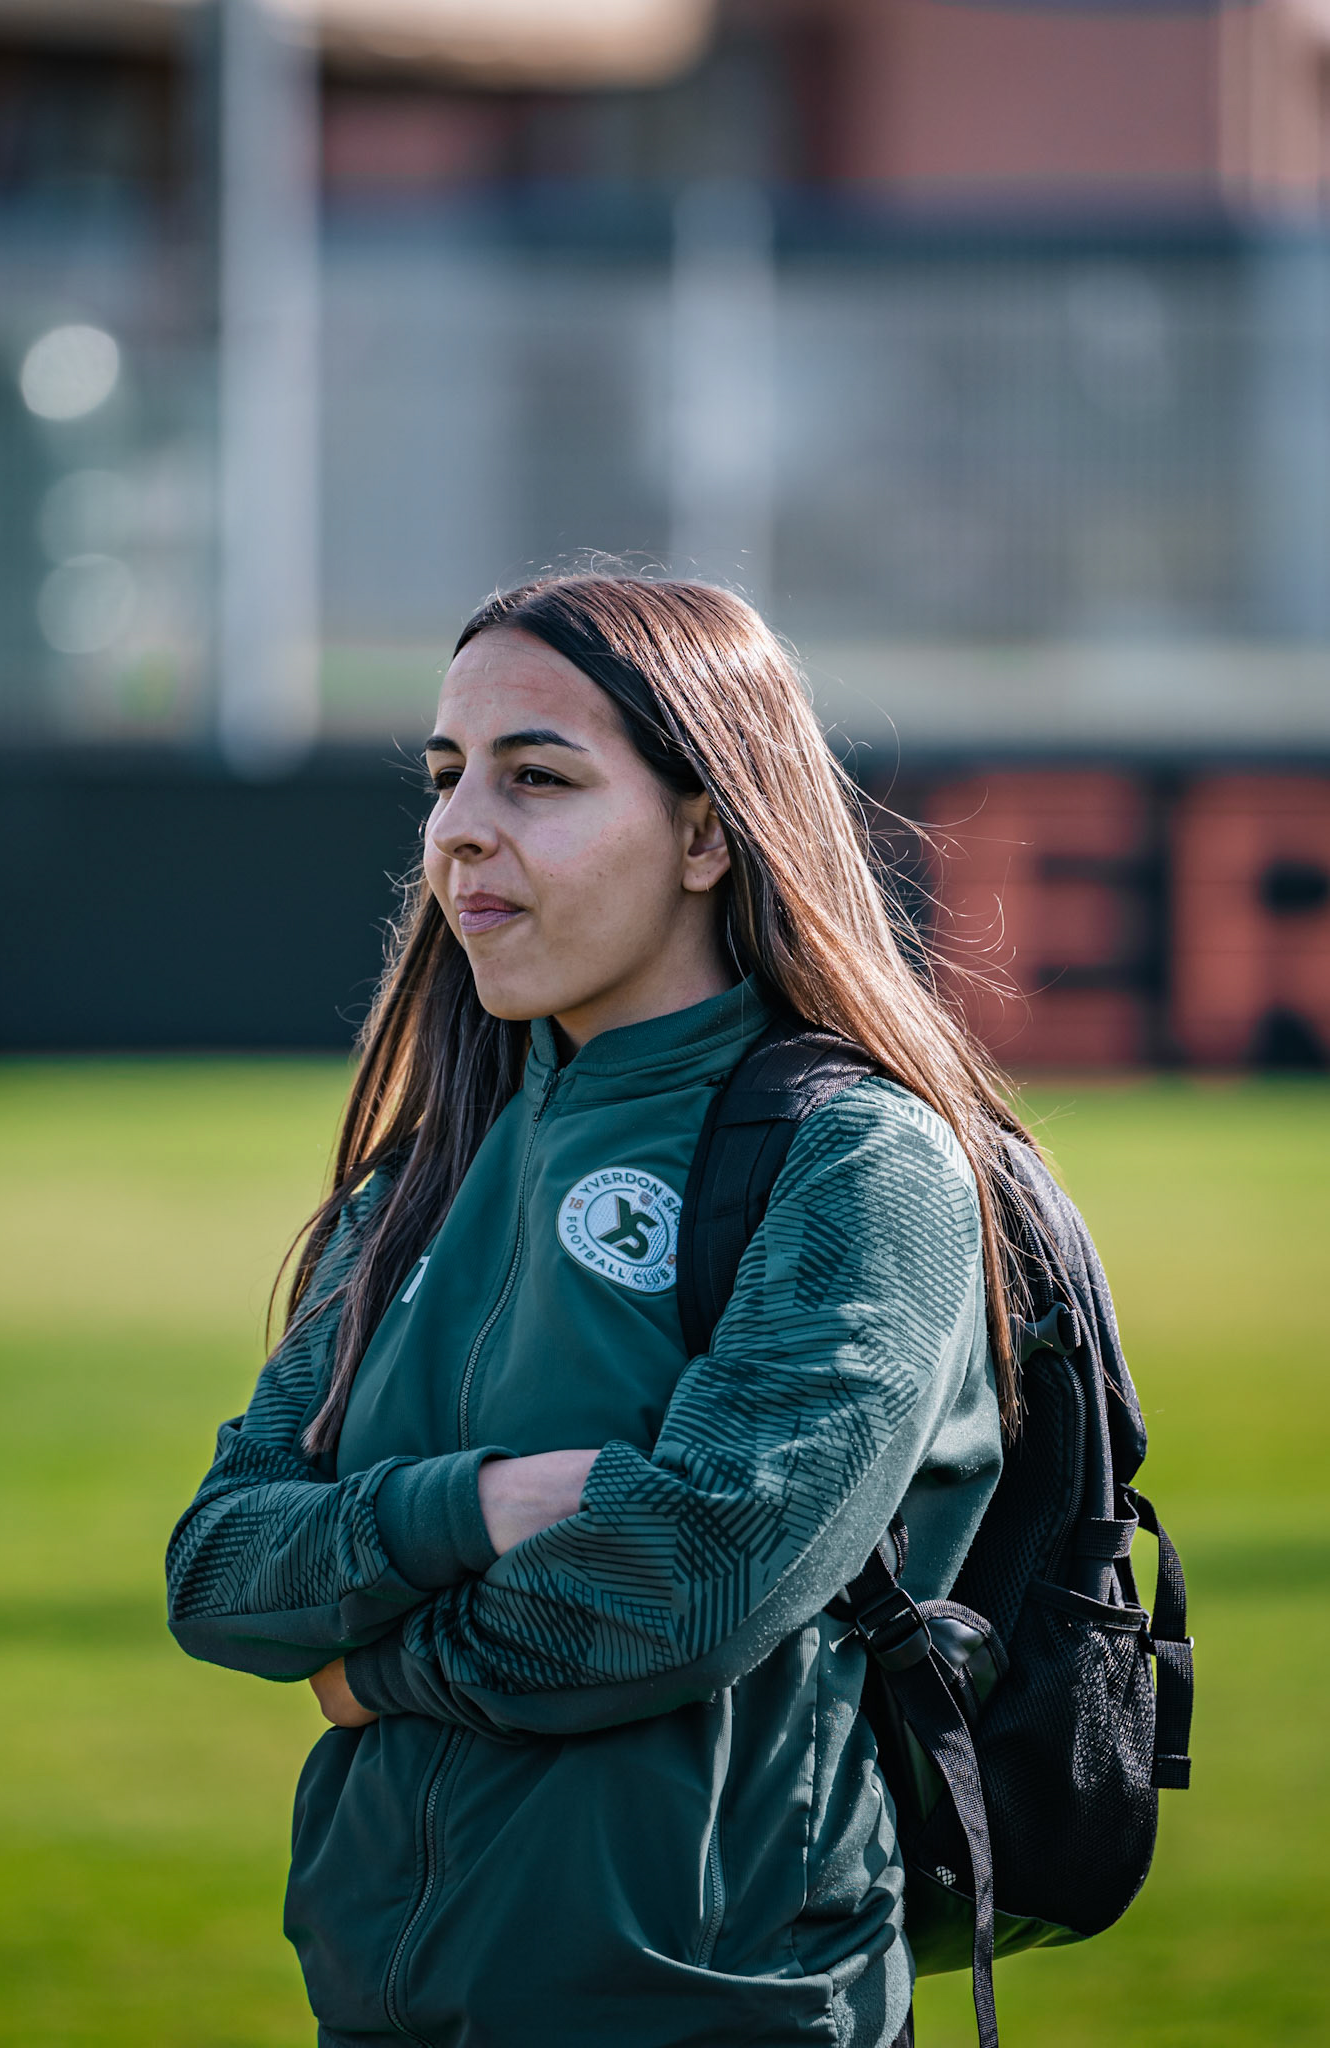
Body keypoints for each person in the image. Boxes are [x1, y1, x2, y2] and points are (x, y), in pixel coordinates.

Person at [167, 573, 1030, 2048]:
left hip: (720, 2010)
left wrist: (373, 1665)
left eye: (537, 778)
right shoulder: (422, 1180)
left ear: (707, 829)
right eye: (444, 779)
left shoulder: (853, 1157)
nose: (457, 831)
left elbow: (686, 1582)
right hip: (387, 2008)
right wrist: (474, 1506)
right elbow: (222, 1566)